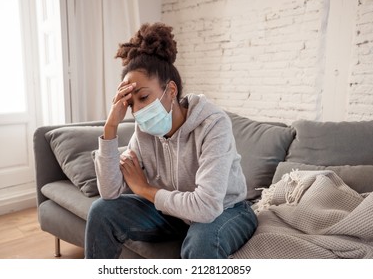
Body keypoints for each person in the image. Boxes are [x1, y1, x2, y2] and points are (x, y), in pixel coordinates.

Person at [85, 22, 257, 259]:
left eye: (144, 97)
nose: (138, 110)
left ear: (172, 90)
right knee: (101, 210)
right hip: (173, 213)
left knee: (202, 240)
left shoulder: (213, 124)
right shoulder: (144, 132)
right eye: (131, 103)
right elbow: (110, 191)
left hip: (227, 210)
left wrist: (144, 189)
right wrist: (110, 127)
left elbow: (207, 207)